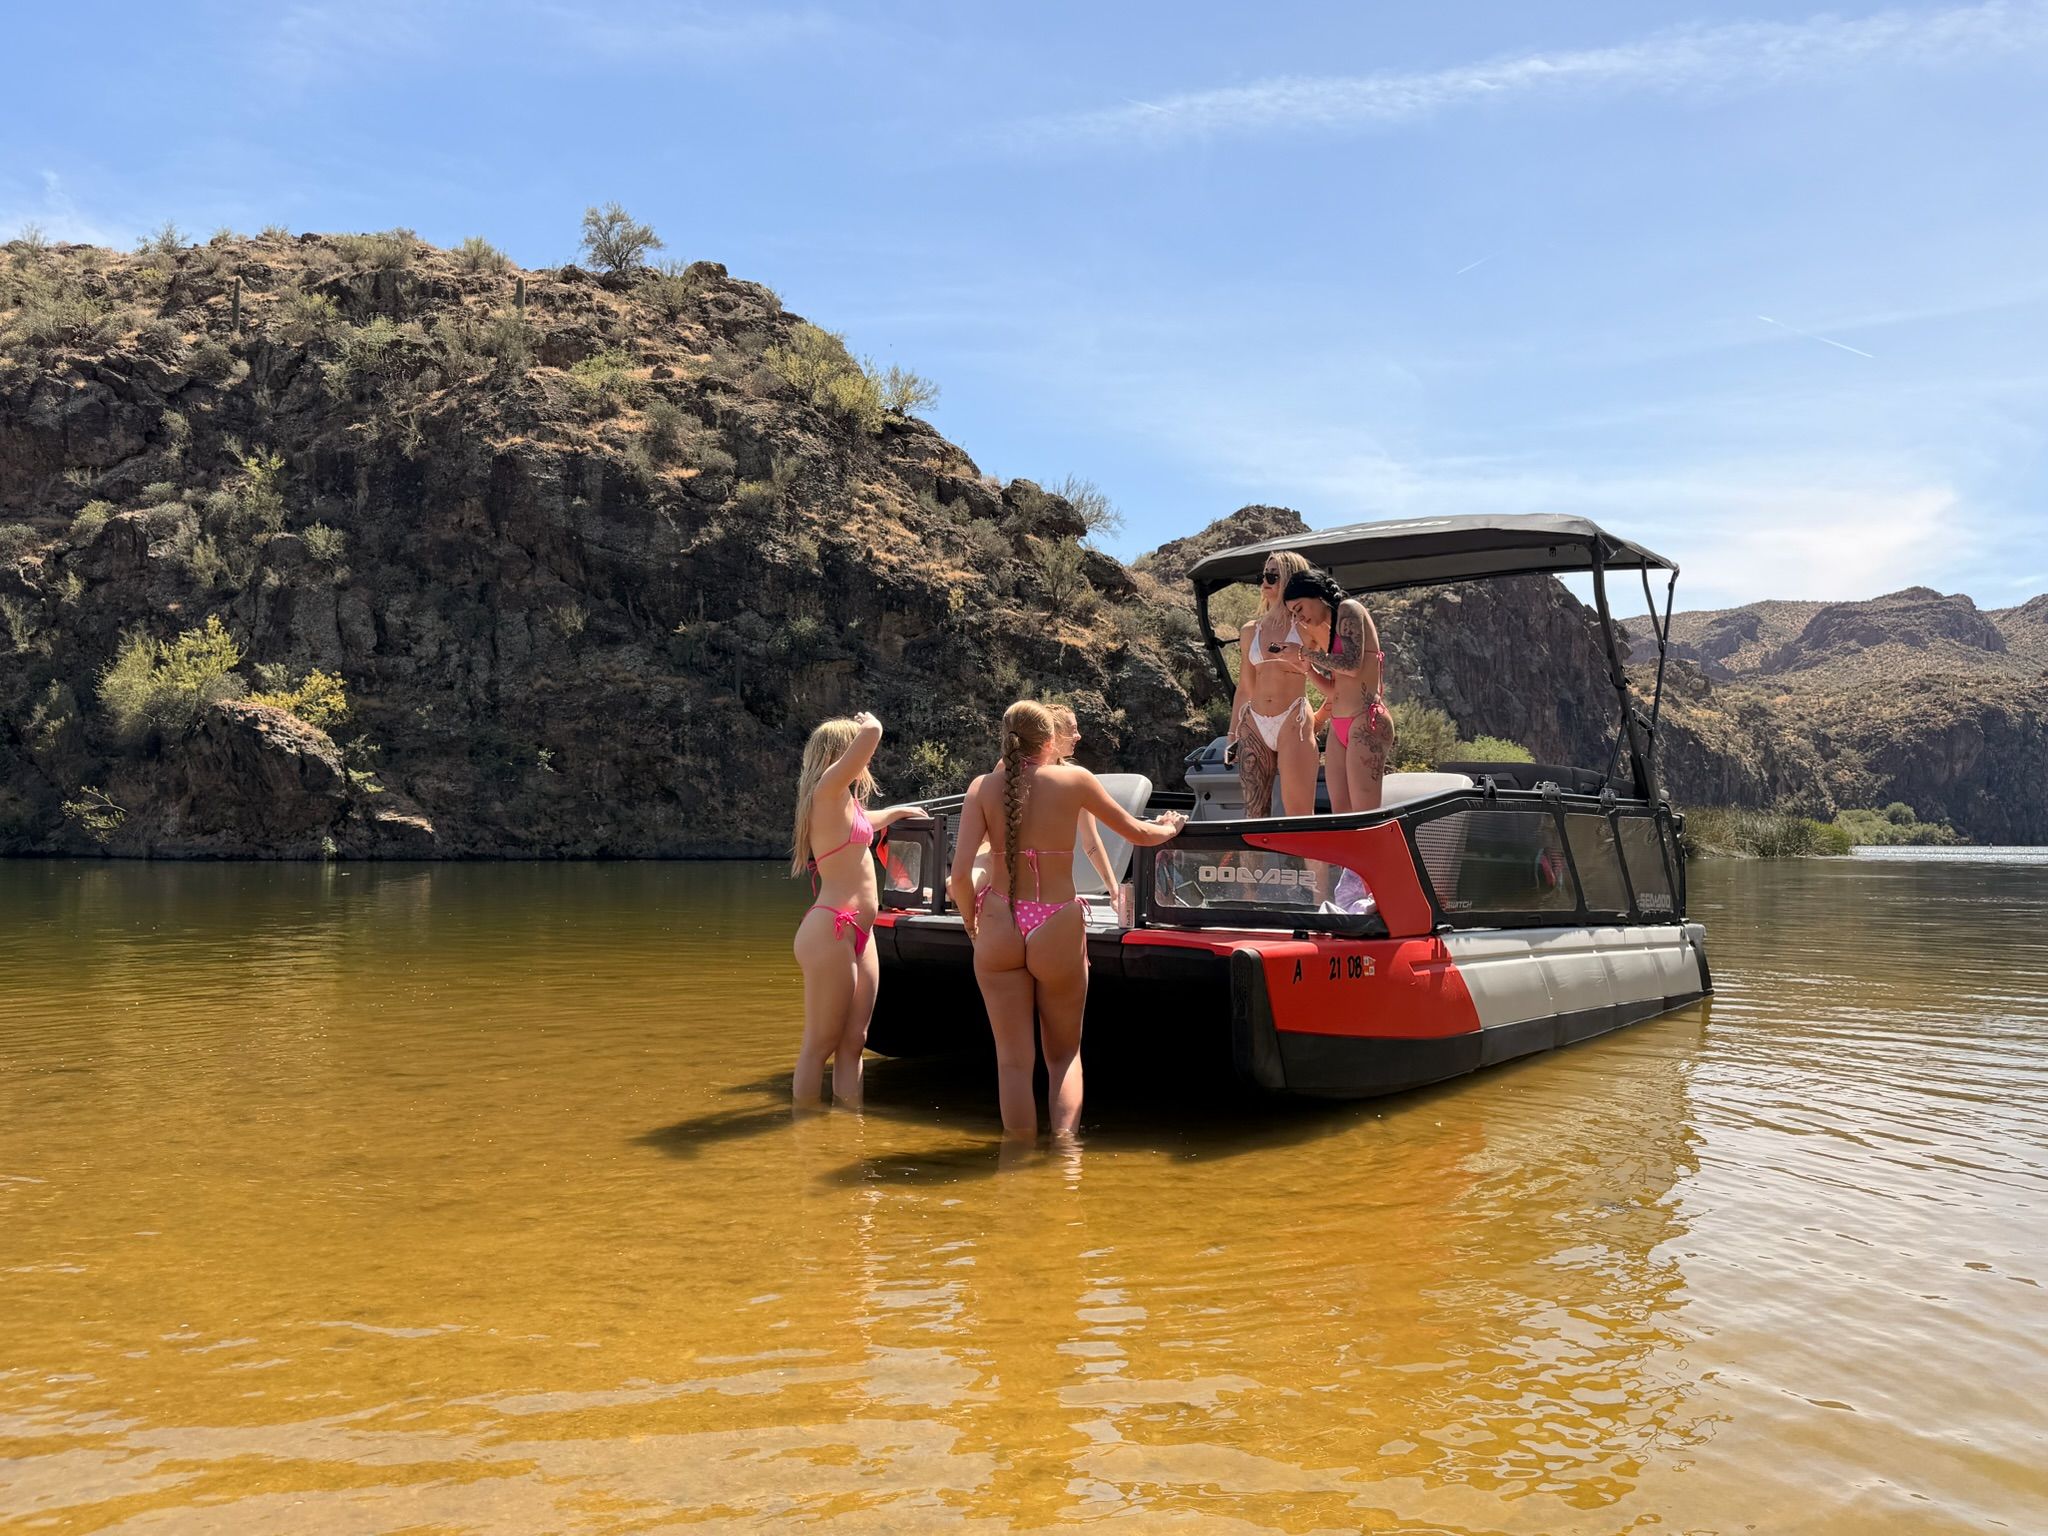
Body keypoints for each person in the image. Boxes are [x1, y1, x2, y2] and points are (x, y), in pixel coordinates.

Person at [946, 701, 1186, 1140]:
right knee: (1063, 1056)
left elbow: (959, 876)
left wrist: (969, 920)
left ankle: (1016, 1162)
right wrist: (1169, 827)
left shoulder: (982, 788)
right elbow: (1138, 833)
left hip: (999, 920)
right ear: (1051, 740)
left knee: (1012, 1062)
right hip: (1055, 920)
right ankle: (1064, 1160)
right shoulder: (1075, 780)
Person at [789, 712, 928, 1110]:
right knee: (820, 1044)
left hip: (859, 933)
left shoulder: (843, 802)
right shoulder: (826, 790)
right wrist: (868, 724)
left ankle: (848, 1128)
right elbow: (873, 733)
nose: (863, 761)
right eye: (852, 753)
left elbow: (867, 820)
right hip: (832, 929)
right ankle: (804, 1134)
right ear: (837, 755)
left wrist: (899, 811)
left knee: (854, 1042)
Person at [1281, 568, 1395, 814]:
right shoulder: (1333, 630)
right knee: (1341, 814)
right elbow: (1335, 690)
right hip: (1340, 725)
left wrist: (1304, 652)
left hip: (1366, 720)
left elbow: (1352, 666)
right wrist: (1307, 669)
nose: (1299, 618)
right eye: (1293, 614)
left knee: (1364, 816)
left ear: (1317, 594)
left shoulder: (1349, 609)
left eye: (1300, 609)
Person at [1227, 550, 1319, 817]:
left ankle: (1307, 860)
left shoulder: (1307, 627)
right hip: (1254, 721)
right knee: (1253, 814)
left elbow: (1340, 671)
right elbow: (1244, 688)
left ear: (1290, 580)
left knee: (1300, 814)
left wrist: (1323, 715)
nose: (1264, 582)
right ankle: (1254, 862)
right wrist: (1232, 735)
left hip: (1294, 719)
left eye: (1272, 576)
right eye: (1263, 576)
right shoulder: (1249, 630)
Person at [1046, 703, 1118, 896]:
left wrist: (1113, 888)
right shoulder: (1010, 770)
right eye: (1073, 730)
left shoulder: (1075, 780)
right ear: (1055, 733)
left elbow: (1091, 841)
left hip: (1052, 887)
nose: (1078, 736)